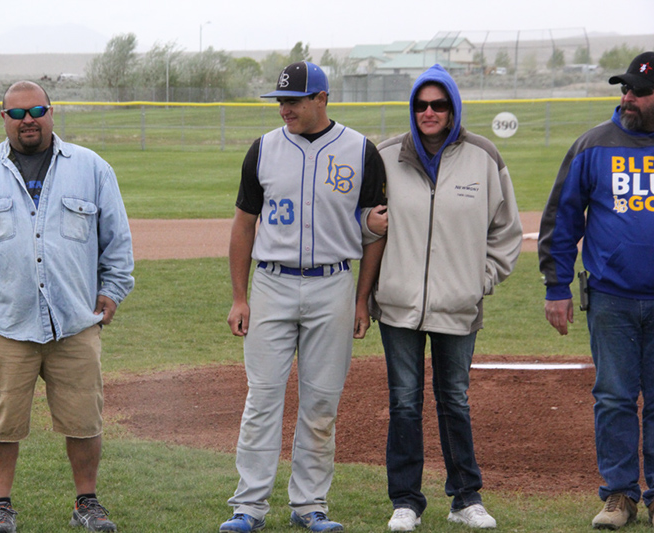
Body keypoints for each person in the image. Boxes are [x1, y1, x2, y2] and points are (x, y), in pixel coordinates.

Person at [0, 80, 134, 533]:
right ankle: (0, 507)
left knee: (84, 419)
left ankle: (87, 502)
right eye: (18, 113)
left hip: (75, 321)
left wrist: (114, 289)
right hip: (7, 322)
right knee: (1, 422)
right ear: (2, 118)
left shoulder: (91, 167)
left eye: (37, 110)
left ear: (51, 112)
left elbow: (117, 240)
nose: (29, 120)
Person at [219, 61, 387, 533]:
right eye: (280, 101)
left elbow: (374, 232)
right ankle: (248, 507)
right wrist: (239, 296)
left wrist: (361, 300)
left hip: (334, 283)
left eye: (293, 100)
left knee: (321, 403)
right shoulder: (264, 149)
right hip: (271, 283)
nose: (284, 109)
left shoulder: (359, 150)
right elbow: (243, 225)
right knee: (263, 398)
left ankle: (310, 504)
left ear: (322, 99)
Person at [369, 64, 522, 531]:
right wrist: (365, 227)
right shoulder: (385, 155)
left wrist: (482, 280)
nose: (429, 112)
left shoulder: (484, 156)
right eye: (420, 105)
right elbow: (361, 218)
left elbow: (507, 230)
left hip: (458, 305)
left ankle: (465, 499)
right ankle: (406, 502)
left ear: (453, 107)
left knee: (454, 399)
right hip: (398, 305)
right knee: (405, 402)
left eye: (438, 104)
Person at [539, 51, 654, 530]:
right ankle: (619, 496)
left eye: (638, 92)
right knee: (613, 397)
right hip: (611, 297)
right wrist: (556, 286)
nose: (627, 98)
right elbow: (561, 218)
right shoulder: (593, 146)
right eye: (623, 89)